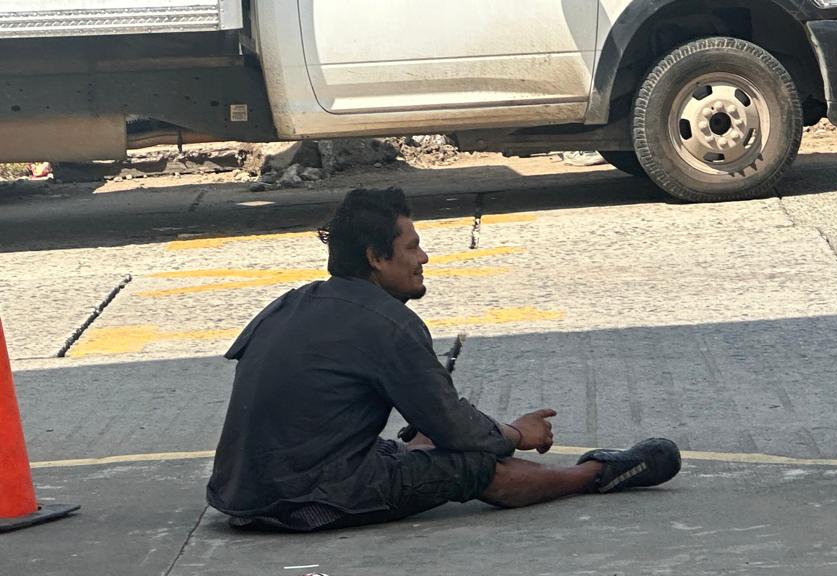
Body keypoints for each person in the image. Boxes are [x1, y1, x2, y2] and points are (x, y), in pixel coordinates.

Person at [206, 187, 680, 531]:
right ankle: (595, 474)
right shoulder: (388, 324)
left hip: (241, 494)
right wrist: (518, 434)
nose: (424, 258)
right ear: (376, 258)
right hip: (306, 503)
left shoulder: (291, 303)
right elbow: (458, 430)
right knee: (472, 465)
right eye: (412, 247)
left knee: (423, 442)